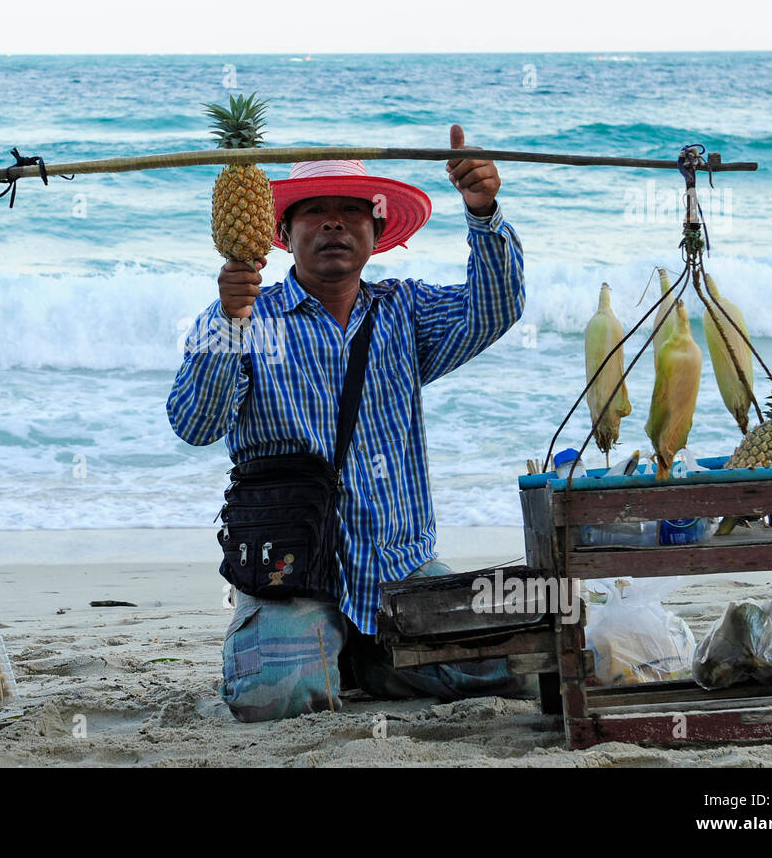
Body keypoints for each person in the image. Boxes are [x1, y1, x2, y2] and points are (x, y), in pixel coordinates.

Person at [168, 124, 531, 721]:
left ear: (377, 231)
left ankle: (370, 657)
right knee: (276, 695)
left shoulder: (405, 312)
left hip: (399, 565)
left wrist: (483, 210)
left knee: (509, 665)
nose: (334, 223)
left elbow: (495, 307)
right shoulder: (240, 316)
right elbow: (194, 423)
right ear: (283, 234)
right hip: (293, 572)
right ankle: (345, 653)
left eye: (351, 211)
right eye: (315, 211)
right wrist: (230, 323)